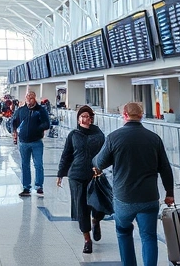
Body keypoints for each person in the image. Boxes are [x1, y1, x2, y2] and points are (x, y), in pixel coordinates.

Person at [93, 102, 175, 266]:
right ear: (142, 115)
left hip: (124, 198)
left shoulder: (114, 137)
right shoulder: (154, 138)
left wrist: (97, 160)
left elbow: (99, 162)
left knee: (123, 232)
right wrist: (169, 193)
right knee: (149, 236)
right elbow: (165, 168)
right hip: (149, 198)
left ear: (124, 115)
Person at [57, 105, 106, 254]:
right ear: (78, 119)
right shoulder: (73, 135)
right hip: (76, 175)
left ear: (91, 118)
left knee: (98, 205)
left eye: (88, 116)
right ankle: (87, 239)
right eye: (82, 116)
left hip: (94, 175)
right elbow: (66, 155)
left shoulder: (99, 134)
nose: (85, 119)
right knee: (82, 208)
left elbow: (106, 153)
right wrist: (60, 173)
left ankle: (96, 220)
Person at [12, 91, 51, 197]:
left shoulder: (41, 110)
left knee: (38, 164)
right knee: (25, 165)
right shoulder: (21, 110)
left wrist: (38, 128)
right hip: (23, 142)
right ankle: (26, 187)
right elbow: (13, 121)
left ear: (35, 98)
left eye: (31, 98)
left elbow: (47, 124)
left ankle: (39, 186)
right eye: (27, 98)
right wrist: (14, 132)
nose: (29, 100)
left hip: (36, 142)